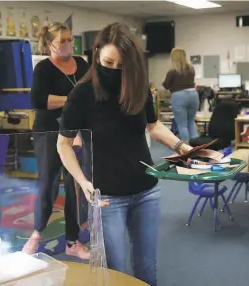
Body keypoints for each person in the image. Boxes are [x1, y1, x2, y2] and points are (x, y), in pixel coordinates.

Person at [57, 23, 192, 286]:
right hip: (107, 197)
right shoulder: (81, 94)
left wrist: (182, 147)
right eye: (109, 62)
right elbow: (63, 145)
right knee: (116, 272)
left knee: (146, 267)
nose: (115, 71)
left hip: (146, 191)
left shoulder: (137, 86)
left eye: (122, 66)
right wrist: (82, 181)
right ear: (96, 54)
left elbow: (152, 125)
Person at [23, 21, 90, 259]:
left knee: (74, 186)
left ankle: (72, 241)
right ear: (49, 43)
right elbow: (39, 100)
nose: (68, 44)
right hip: (48, 132)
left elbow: (92, 91)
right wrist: (73, 99)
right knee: (48, 185)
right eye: (62, 40)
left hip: (76, 133)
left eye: (70, 39)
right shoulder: (43, 69)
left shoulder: (82, 64)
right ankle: (37, 233)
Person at [162, 48, 199, 142]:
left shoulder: (172, 71)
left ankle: (186, 150)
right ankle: (197, 147)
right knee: (191, 122)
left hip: (179, 96)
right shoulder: (191, 69)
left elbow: (166, 85)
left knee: (182, 125)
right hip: (193, 94)